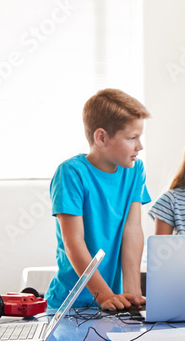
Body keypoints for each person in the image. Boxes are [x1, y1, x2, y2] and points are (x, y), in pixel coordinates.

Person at [46, 88, 150, 311]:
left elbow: (132, 230)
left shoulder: (135, 170)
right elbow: (74, 242)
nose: (139, 146)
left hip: (114, 302)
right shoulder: (71, 173)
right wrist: (103, 296)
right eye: (132, 138)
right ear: (101, 137)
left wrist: (132, 294)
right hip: (69, 305)